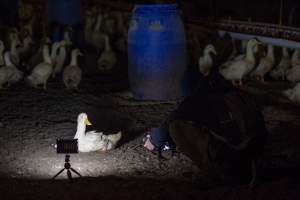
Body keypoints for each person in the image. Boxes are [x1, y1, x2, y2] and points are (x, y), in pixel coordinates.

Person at [144, 66, 268, 186]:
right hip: (257, 152)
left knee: (176, 126)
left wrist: (152, 141)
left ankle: (215, 171)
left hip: (234, 159)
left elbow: (164, 128)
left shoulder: (194, 101)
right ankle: (245, 165)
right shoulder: (236, 94)